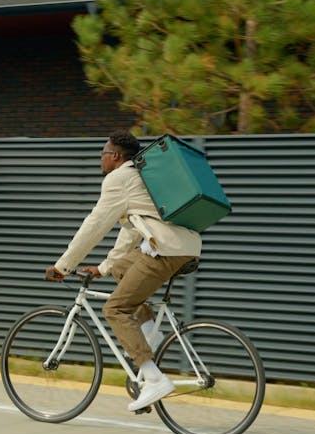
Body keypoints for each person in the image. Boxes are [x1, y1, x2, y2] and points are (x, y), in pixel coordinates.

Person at [45, 129, 201, 411]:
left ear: (115, 156)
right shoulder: (139, 177)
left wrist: (62, 266)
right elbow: (130, 233)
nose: (101, 160)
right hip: (182, 246)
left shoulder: (118, 179)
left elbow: (94, 225)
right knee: (121, 271)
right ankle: (151, 335)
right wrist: (104, 268)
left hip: (164, 249)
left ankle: (154, 378)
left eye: (103, 154)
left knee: (114, 309)